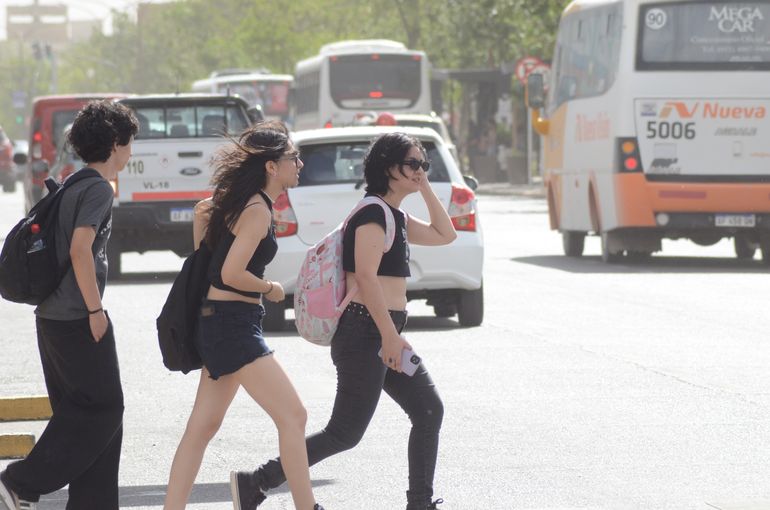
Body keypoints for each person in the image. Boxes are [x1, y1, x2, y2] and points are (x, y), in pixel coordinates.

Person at [230, 132, 456, 510]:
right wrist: (388, 336)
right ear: (389, 168)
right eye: (413, 164)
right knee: (345, 432)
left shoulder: (395, 215)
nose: (420, 170)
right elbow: (365, 279)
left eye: (424, 164)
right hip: (366, 332)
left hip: (384, 332)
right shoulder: (372, 214)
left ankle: (420, 502)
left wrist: (426, 185)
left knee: (428, 410)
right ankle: (257, 481)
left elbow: (444, 234)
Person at [163, 121, 325, 510]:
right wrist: (270, 289)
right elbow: (229, 273)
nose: (300, 164)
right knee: (294, 415)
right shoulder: (256, 210)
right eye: (293, 158)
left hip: (221, 321)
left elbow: (206, 255)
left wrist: (204, 221)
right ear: (271, 166)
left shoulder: (242, 203)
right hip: (232, 326)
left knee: (202, 428)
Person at [0, 100, 138, 510]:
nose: (132, 153)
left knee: (90, 418)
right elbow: (81, 250)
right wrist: (96, 312)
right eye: (130, 144)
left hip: (52, 317)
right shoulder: (97, 188)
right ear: (115, 143)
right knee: (105, 409)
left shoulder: (74, 182)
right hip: (78, 316)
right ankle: (19, 482)